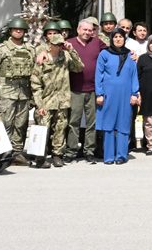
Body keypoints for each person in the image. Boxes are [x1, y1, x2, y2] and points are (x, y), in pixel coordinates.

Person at [31, 22, 83, 167]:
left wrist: (72, 51)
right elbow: (35, 84)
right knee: (43, 129)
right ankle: (40, 157)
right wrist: (39, 104)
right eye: (57, 44)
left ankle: (57, 155)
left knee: (60, 128)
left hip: (62, 100)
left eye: (61, 44)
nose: (59, 46)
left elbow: (79, 68)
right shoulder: (42, 59)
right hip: (46, 101)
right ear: (50, 45)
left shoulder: (66, 56)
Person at [0, 17, 35, 166]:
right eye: (15, 29)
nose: (18, 31)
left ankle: (17, 152)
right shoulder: (2, 49)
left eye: (21, 29)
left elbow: (34, 72)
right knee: (6, 123)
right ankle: (3, 152)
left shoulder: (30, 49)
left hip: (24, 91)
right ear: (10, 31)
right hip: (6, 90)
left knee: (21, 123)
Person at [95, 28, 140, 165]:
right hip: (109, 95)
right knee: (108, 124)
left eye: (121, 37)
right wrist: (99, 93)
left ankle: (121, 155)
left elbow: (134, 76)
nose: (118, 39)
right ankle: (108, 156)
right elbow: (99, 74)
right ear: (111, 39)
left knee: (123, 124)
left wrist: (134, 94)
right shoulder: (104, 54)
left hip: (125, 95)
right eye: (115, 37)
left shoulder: (130, 56)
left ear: (124, 39)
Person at [65, 18, 104, 163]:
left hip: (93, 89)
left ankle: (89, 151)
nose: (87, 32)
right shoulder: (69, 43)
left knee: (91, 123)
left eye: (90, 30)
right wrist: (42, 53)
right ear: (78, 30)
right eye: (85, 30)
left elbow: (113, 51)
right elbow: (52, 50)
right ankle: (71, 152)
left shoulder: (97, 42)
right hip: (75, 90)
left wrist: (131, 54)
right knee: (73, 122)